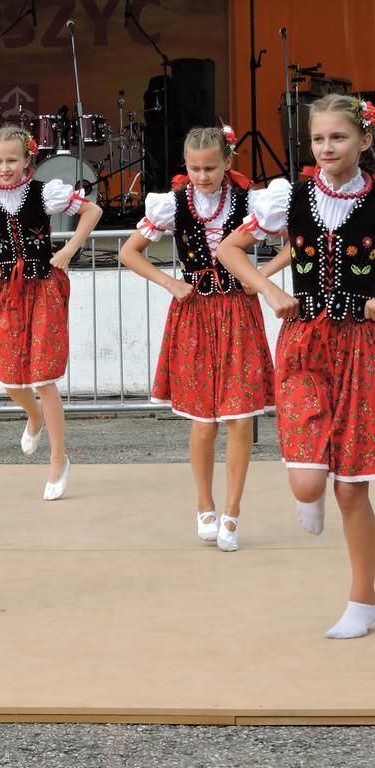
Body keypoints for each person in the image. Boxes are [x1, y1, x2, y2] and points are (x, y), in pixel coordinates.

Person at [218, 94, 375, 637]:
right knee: (308, 485)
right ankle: (312, 492)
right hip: (305, 344)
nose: (327, 147)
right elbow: (230, 250)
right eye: (318, 138)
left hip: (361, 349)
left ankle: (362, 601)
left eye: (339, 137)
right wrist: (267, 288)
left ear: (364, 140)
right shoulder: (292, 197)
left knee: (351, 487)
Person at [119, 126, 276, 551]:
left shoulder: (250, 202)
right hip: (194, 316)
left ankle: (233, 512)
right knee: (204, 422)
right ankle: (204, 504)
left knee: (240, 419)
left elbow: (297, 240)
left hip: (238, 314)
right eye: (194, 168)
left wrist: (260, 277)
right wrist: (170, 282)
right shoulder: (173, 204)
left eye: (210, 168)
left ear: (228, 163)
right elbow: (129, 252)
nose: (202, 176)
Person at [0, 124, 102, 501]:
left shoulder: (43, 192)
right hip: (7, 291)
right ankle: (34, 415)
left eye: (11, 160)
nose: (4, 168)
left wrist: (68, 250)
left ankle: (58, 458)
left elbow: (92, 210)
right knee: (11, 379)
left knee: (43, 376)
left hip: (43, 286)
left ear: (27, 159)